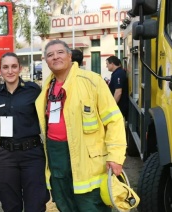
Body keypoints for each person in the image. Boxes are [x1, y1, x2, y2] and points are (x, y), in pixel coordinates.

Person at [35, 40, 127, 211]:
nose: (55, 57)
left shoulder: (92, 81)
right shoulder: (46, 88)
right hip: (57, 156)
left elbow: (114, 120)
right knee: (64, 202)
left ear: (70, 56)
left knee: (90, 204)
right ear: (46, 61)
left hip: (88, 161)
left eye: (60, 52)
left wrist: (115, 156)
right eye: (50, 55)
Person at [0, 52, 49, 211]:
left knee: (35, 204)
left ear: (20, 68)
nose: (10, 71)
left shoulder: (33, 90)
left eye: (14, 66)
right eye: (6, 67)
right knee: (10, 204)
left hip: (32, 155)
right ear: (0, 70)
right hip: (6, 155)